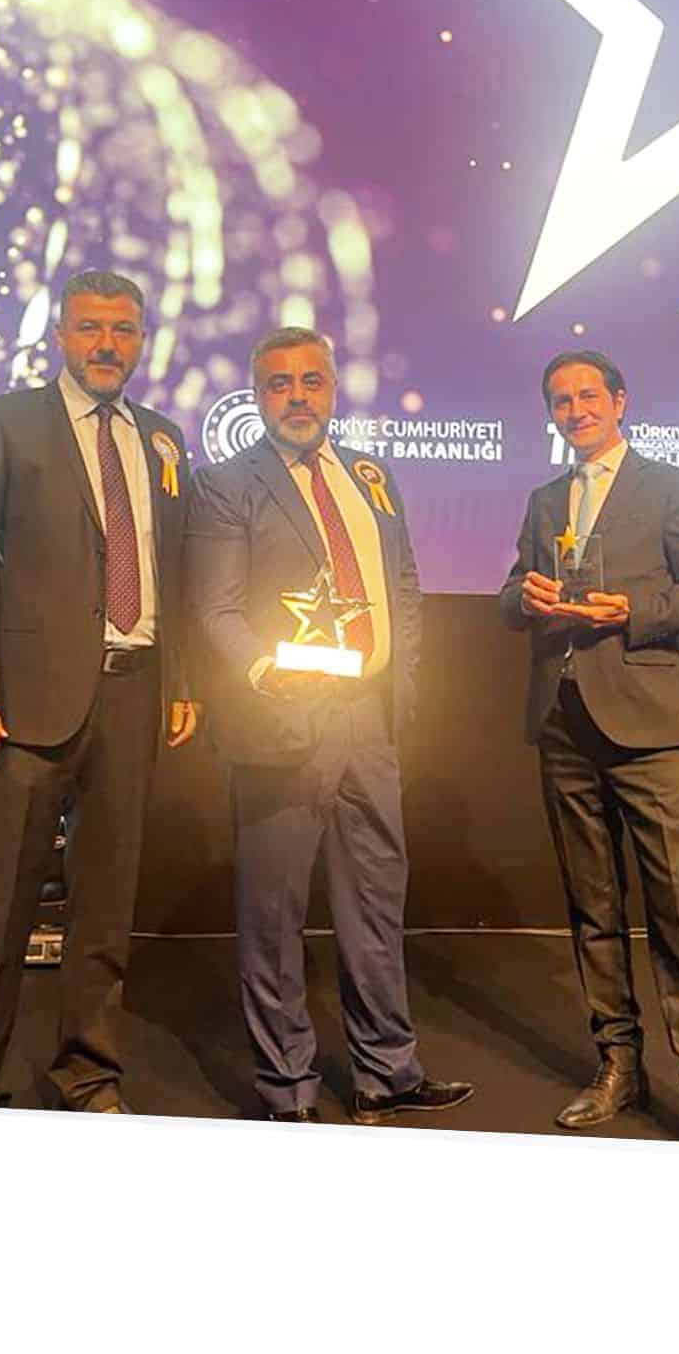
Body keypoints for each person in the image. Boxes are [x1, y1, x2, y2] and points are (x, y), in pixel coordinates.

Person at [186, 328, 473, 1124]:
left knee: (375, 902)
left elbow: (402, 584)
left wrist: (400, 679)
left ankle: (388, 1073)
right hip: (280, 724)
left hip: (369, 721)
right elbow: (214, 608)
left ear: (333, 389)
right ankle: (289, 1090)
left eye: (311, 381)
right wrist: (264, 674)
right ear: (257, 396)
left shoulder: (371, 476)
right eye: (280, 384)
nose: (298, 397)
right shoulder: (225, 484)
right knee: (274, 915)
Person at [0, 268, 197, 1112]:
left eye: (122, 330)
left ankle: (88, 1073)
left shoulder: (162, 439)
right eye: (90, 328)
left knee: (106, 909)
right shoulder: (5, 422)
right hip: (22, 705)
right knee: (4, 909)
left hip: (133, 695)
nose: (106, 345)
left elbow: (173, 571)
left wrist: (180, 679)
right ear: (60, 336)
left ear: (141, 340)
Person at [498, 350, 679, 1142]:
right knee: (592, 908)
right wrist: (526, 597)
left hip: (647, 726)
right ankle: (618, 1066)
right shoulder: (545, 499)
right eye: (561, 401)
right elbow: (509, 595)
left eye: (588, 396)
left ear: (619, 402)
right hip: (562, 722)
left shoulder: (669, 486)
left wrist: (630, 608)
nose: (575, 411)